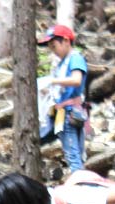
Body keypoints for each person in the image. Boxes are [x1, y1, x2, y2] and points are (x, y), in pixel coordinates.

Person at [37, 24, 88, 172]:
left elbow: (76, 79)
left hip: (69, 112)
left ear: (66, 41)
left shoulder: (75, 59)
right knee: (74, 153)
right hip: (64, 111)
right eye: (51, 48)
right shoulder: (63, 62)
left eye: (54, 46)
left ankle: (80, 184)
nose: (53, 51)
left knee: (73, 155)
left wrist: (52, 80)